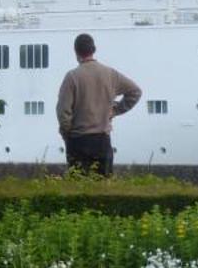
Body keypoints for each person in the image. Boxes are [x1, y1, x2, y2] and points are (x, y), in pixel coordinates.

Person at [55, 32, 141, 175]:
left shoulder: (72, 77)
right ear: (93, 50)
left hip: (78, 140)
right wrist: (115, 111)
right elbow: (135, 92)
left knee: (79, 189)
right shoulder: (110, 74)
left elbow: (63, 111)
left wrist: (67, 134)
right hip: (102, 141)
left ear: (76, 51)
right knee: (104, 189)